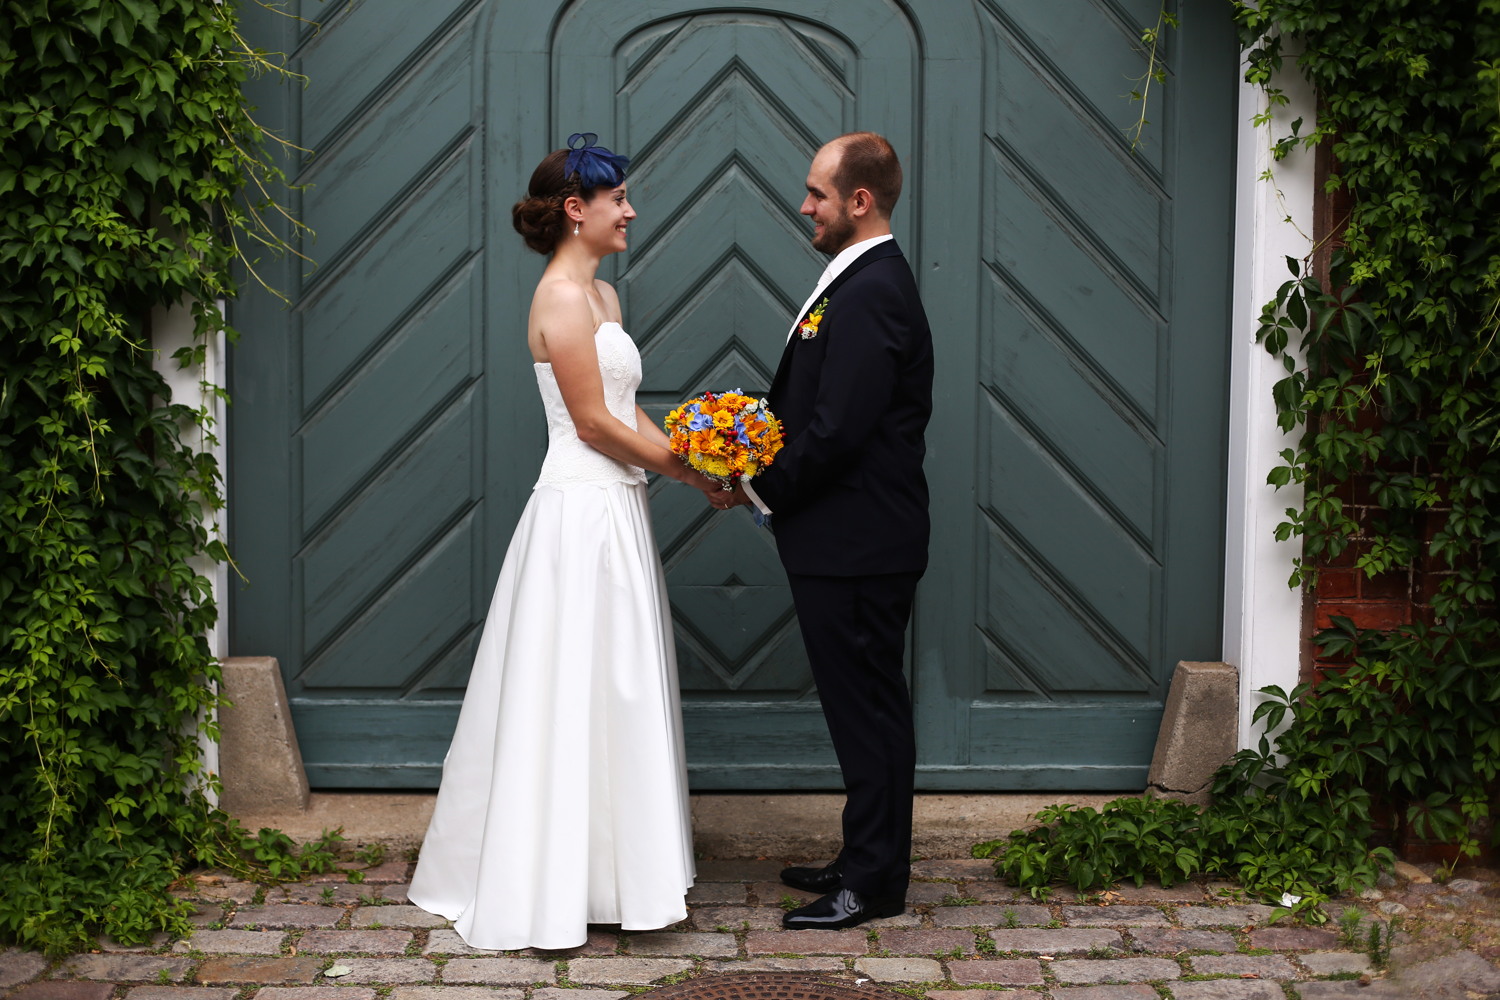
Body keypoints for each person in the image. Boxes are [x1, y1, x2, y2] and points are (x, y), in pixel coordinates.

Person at [407, 133, 726, 951]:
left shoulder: (607, 298)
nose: (630, 209)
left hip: (616, 507)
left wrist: (700, 453)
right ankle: (543, 876)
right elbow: (589, 423)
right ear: (575, 210)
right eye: (617, 198)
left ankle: (611, 873)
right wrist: (691, 476)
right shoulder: (557, 298)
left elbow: (627, 410)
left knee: (613, 685)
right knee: (570, 684)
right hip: (577, 512)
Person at [731, 132, 934, 930]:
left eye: (817, 192)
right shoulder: (854, 281)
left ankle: (875, 883)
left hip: (859, 542)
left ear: (860, 200)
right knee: (860, 711)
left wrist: (756, 486)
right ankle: (862, 855)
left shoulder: (875, 287)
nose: (804, 204)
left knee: (872, 712)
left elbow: (839, 428)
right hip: (844, 540)